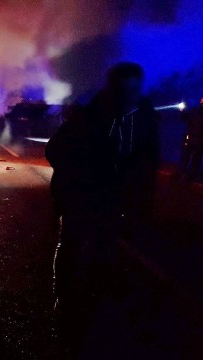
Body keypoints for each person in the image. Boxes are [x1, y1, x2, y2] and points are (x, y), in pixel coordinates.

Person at [46, 62, 160, 357]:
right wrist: (80, 177)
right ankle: (64, 297)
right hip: (81, 195)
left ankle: (97, 301)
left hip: (114, 197)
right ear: (113, 88)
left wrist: (141, 194)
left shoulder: (145, 115)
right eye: (124, 89)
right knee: (72, 242)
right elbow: (56, 150)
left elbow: (149, 158)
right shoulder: (90, 115)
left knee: (105, 246)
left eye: (134, 89)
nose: (129, 96)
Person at [180, 98, 203, 180]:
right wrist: (182, 110)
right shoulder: (194, 111)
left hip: (193, 138)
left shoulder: (194, 111)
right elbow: (184, 117)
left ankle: (186, 173)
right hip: (197, 139)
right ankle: (191, 174)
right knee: (195, 157)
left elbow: (184, 117)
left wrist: (182, 110)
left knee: (189, 156)